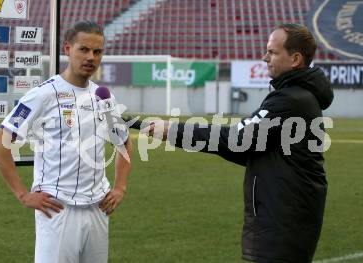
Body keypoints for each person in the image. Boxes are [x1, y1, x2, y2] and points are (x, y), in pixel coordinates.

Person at [134, 23, 333, 262]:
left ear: (295, 59)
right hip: (287, 218)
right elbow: (247, 149)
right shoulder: (295, 96)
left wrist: (174, 129)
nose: (264, 57)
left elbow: (237, 139)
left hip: (284, 221)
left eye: (272, 52)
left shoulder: (290, 100)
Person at [0, 21, 132, 263]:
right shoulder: (43, 94)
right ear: (67, 48)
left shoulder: (103, 96)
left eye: (97, 52)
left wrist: (120, 187)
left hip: (98, 208)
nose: (91, 57)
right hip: (57, 209)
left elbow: (124, 143)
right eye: (83, 49)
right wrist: (23, 195)